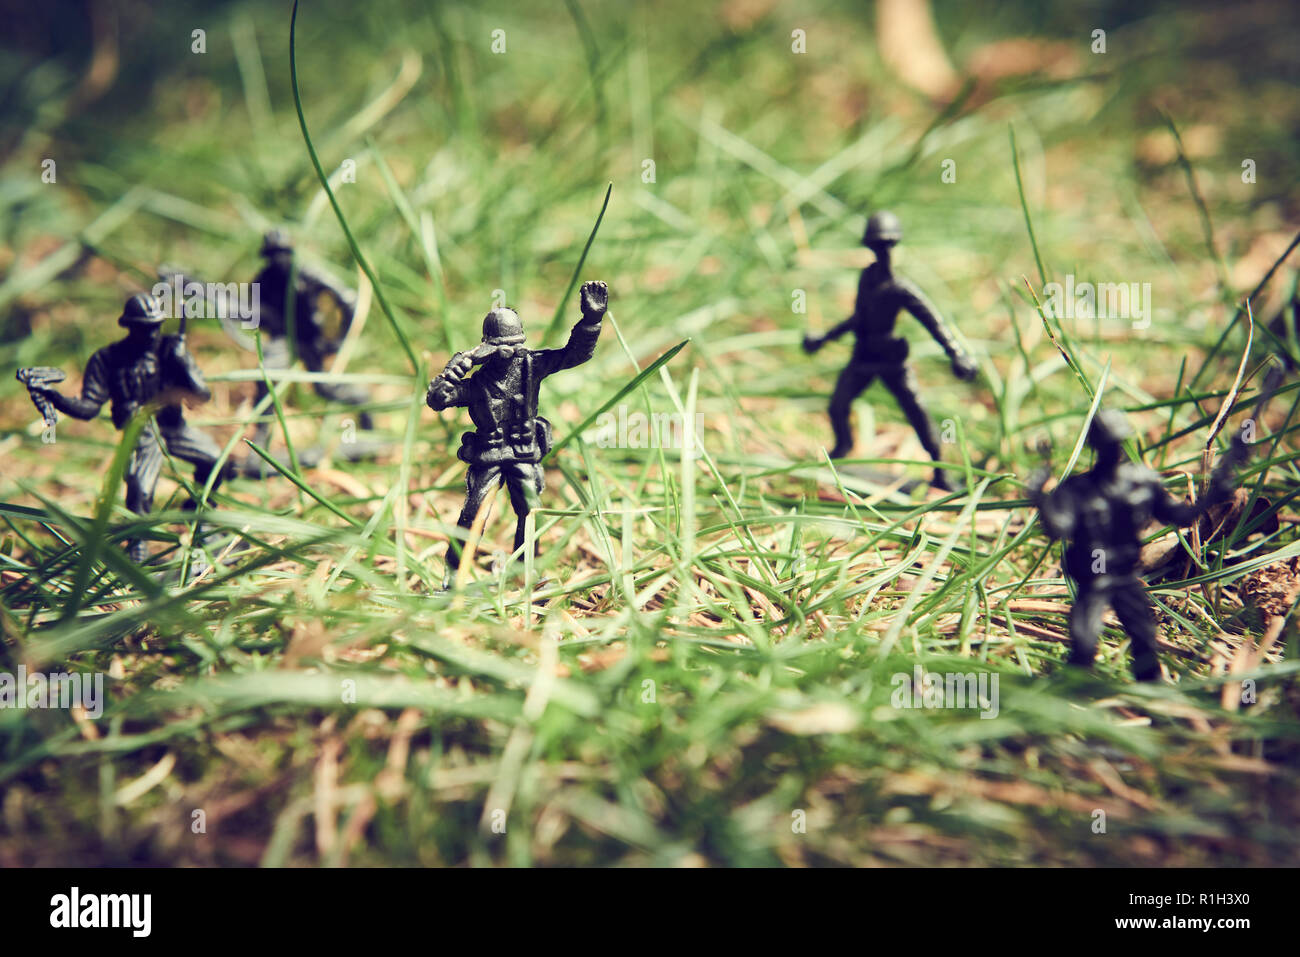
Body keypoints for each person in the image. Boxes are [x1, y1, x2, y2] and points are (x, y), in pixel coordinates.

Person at [1028, 408, 1246, 680]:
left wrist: (1213, 494)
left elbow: (1180, 516)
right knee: (1083, 642)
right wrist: (1039, 499)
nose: (1112, 449)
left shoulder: (1142, 482)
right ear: (1095, 446)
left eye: (1116, 442)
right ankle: (1075, 686)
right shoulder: (1077, 489)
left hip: (1125, 573)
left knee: (1143, 637)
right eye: (1106, 443)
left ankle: (1148, 687)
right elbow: (1058, 529)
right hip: (1093, 576)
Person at [427, 280, 607, 576]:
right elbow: (438, 400)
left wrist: (591, 320)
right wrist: (451, 373)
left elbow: (573, 354)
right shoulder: (477, 383)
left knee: (531, 511)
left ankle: (528, 573)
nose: (506, 354)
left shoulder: (531, 366)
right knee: (473, 513)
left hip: (524, 453)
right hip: (489, 456)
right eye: (499, 348)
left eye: (511, 347)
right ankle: (453, 575)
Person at [35, 294, 229, 563]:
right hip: (142, 430)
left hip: (172, 425)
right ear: (129, 326)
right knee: (140, 484)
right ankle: (137, 545)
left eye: (156, 326)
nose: (151, 334)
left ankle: (200, 514)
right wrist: (54, 397)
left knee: (214, 460)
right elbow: (89, 408)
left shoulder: (172, 351)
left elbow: (202, 395)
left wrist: (183, 364)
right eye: (144, 327)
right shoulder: (107, 359)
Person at [803, 211, 976, 489]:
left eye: (886, 245)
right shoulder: (866, 279)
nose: (881, 251)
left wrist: (956, 352)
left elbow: (933, 320)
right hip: (863, 356)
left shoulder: (900, 288)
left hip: (891, 359)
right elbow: (858, 318)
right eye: (876, 246)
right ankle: (843, 448)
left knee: (916, 412)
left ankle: (940, 470)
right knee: (838, 406)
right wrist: (824, 338)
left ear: (893, 247)